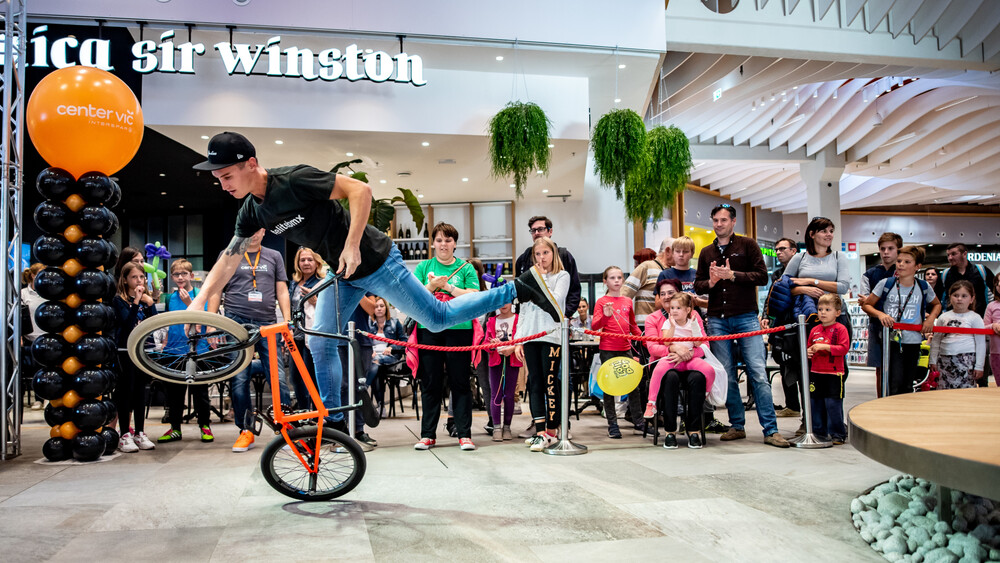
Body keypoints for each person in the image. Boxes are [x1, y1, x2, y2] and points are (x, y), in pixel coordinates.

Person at [188, 132, 562, 436]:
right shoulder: (251, 211)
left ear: (251, 164)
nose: (222, 186)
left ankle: (518, 288)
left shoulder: (293, 180)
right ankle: (335, 420)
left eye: (227, 176)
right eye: (218, 179)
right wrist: (197, 303)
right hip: (344, 274)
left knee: (437, 317)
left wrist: (351, 244)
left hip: (377, 261)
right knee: (320, 338)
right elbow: (229, 256)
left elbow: (360, 191)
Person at [693, 204, 788, 448]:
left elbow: (762, 276)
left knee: (757, 371)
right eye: (715, 220)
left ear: (733, 222)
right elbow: (698, 286)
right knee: (726, 373)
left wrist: (733, 275)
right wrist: (712, 281)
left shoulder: (748, 245)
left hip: (746, 316)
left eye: (723, 220)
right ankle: (737, 425)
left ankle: (771, 429)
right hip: (716, 319)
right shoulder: (705, 252)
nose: (718, 224)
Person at [209, 228, 291, 453]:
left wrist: (287, 322)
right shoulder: (229, 253)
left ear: (264, 231)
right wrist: (211, 322)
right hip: (236, 323)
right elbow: (216, 288)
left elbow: (282, 289)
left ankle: (285, 428)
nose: (254, 234)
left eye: (258, 230)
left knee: (278, 378)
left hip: (268, 323)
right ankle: (245, 430)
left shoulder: (274, 256)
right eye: (250, 230)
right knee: (239, 379)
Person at [411, 222, 482, 452]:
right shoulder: (423, 267)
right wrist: (431, 286)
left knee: (460, 382)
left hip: (459, 330)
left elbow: (474, 296)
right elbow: (414, 298)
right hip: (428, 329)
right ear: (433, 243)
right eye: (440, 240)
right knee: (430, 382)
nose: (444, 244)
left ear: (455, 244)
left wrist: (450, 288)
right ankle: (427, 435)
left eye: (448, 240)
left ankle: (464, 434)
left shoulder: (466, 268)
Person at [514, 237, 570, 452]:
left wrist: (538, 280)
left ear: (553, 254)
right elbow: (524, 311)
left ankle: (552, 431)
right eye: (537, 254)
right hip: (530, 336)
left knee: (550, 382)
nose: (541, 258)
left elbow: (553, 301)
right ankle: (539, 432)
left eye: (545, 253)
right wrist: (518, 339)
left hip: (552, 335)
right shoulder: (529, 279)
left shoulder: (561, 276)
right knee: (534, 383)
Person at [862, 246, 940, 395]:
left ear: (917, 266)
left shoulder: (923, 286)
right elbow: (867, 305)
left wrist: (930, 320)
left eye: (907, 261)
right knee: (894, 381)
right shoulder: (886, 283)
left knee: (908, 382)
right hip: (891, 341)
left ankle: (905, 412)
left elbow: (937, 304)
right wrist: (880, 314)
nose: (901, 264)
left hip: (914, 340)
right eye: (899, 261)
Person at [644, 280, 713, 449]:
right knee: (671, 378)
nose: (667, 297)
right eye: (663, 294)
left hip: (690, 360)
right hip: (666, 363)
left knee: (698, 377)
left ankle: (694, 430)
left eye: (671, 293)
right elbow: (652, 348)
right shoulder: (654, 319)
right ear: (658, 298)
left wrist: (688, 354)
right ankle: (670, 431)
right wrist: (673, 349)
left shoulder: (694, 317)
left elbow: (704, 345)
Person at [157, 259, 214, 444]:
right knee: (174, 393)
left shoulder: (200, 295)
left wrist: (190, 302)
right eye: (176, 274)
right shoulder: (169, 298)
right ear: (172, 277)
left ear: (191, 275)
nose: (180, 277)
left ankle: (204, 426)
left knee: (200, 392)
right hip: (173, 350)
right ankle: (175, 428)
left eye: (184, 274)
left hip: (197, 350)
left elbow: (203, 320)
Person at [591, 266, 644, 439]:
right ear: (605, 281)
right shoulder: (601, 302)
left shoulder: (627, 301)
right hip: (608, 350)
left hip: (625, 349)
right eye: (612, 278)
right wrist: (606, 315)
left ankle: (639, 422)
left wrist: (643, 338)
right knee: (609, 388)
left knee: (633, 385)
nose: (616, 281)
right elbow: (595, 326)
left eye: (619, 277)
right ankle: (612, 424)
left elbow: (632, 324)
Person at [111, 262, 158, 452]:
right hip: (125, 352)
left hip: (142, 352)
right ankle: (124, 434)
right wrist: (136, 302)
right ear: (125, 280)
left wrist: (150, 304)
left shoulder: (145, 300)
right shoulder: (118, 301)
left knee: (140, 392)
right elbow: (128, 323)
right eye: (134, 277)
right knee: (126, 393)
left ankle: (140, 432)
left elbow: (153, 323)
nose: (139, 281)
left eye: (141, 277)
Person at [514, 215, 581, 317]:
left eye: (540, 229)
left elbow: (574, 290)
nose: (536, 233)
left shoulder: (564, 256)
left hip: (556, 319)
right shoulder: (523, 259)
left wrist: (564, 315)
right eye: (533, 230)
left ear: (550, 232)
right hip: (530, 320)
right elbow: (520, 293)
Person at [861, 232, 902, 397]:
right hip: (877, 325)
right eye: (883, 248)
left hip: (901, 326)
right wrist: (872, 305)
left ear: (898, 250)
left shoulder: (903, 272)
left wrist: (871, 300)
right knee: (880, 367)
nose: (886, 252)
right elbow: (864, 302)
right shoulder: (870, 274)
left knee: (899, 367)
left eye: (890, 248)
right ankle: (881, 399)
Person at [806, 294, 850, 445]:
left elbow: (844, 348)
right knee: (816, 403)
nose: (822, 312)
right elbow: (809, 346)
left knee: (833, 404)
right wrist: (809, 351)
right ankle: (819, 432)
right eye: (820, 309)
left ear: (837, 313)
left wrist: (825, 347)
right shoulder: (814, 330)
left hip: (834, 373)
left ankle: (837, 433)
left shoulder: (840, 329)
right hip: (816, 373)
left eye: (827, 309)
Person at [287, 246, 326, 411]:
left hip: (312, 336)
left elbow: (328, 310)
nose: (306, 263)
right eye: (302, 260)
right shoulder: (293, 284)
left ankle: (317, 413)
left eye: (310, 259)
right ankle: (303, 412)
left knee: (311, 378)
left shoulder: (321, 282)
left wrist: (316, 301)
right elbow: (291, 309)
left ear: (317, 262)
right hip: (295, 336)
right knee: (295, 378)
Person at [929, 281, 986, 389]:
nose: (959, 299)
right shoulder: (943, 317)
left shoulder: (975, 318)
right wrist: (933, 360)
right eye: (956, 295)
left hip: (967, 359)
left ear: (972, 299)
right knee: (943, 390)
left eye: (964, 296)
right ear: (950, 297)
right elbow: (936, 341)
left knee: (965, 390)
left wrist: (979, 366)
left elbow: (980, 344)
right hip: (944, 359)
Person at [767, 237, 801, 418]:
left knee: (802, 369)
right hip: (781, 327)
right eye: (777, 249)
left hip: (799, 325)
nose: (779, 252)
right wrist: (767, 317)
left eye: (782, 249)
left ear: (793, 250)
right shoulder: (777, 274)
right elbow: (772, 298)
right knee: (784, 366)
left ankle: (806, 412)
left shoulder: (803, 270)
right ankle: (793, 406)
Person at [485, 302, 520, 442]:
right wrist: (492, 346)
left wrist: (512, 348)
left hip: (512, 361)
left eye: (507, 301)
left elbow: (522, 340)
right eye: (500, 301)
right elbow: (485, 344)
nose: (503, 305)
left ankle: (507, 427)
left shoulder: (518, 319)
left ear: (512, 302)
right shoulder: (491, 321)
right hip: (495, 361)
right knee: (496, 395)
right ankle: (497, 427)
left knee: (510, 395)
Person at [366, 297, 407, 415]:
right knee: (377, 369)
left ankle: (364, 389)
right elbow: (363, 341)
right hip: (374, 358)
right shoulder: (368, 323)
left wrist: (392, 348)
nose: (379, 309)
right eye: (376, 306)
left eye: (381, 306)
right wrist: (369, 351)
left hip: (391, 359)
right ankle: (381, 405)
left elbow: (404, 342)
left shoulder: (395, 322)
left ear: (386, 308)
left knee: (375, 362)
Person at [623, 237, 672, 329]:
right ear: (668, 251)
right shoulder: (646, 266)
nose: (679, 254)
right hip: (645, 324)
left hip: (667, 325)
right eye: (677, 251)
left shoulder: (672, 271)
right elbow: (625, 293)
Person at [942, 243, 995, 317]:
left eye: (953, 254)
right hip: (953, 319)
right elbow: (940, 297)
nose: (950, 258)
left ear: (964, 254)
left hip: (979, 317)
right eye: (948, 255)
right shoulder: (945, 274)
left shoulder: (981, 270)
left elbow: (996, 291)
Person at [657, 236, 708, 309]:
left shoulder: (698, 275)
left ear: (692, 254)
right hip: (671, 317)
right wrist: (677, 296)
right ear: (673, 253)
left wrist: (697, 301)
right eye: (678, 251)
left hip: (696, 317)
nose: (681, 255)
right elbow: (657, 304)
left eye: (685, 251)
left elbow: (711, 303)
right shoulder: (665, 274)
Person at [21, 263, 46, 410]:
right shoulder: (24, 294)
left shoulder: (48, 293)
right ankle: (38, 398)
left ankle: (47, 398)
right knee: (35, 371)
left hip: (45, 337)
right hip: (30, 338)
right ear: (33, 276)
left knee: (46, 370)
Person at [984, 276, 1000, 386]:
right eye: (998, 283)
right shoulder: (991, 306)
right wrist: (993, 326)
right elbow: (983, 327)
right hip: (997, 353)